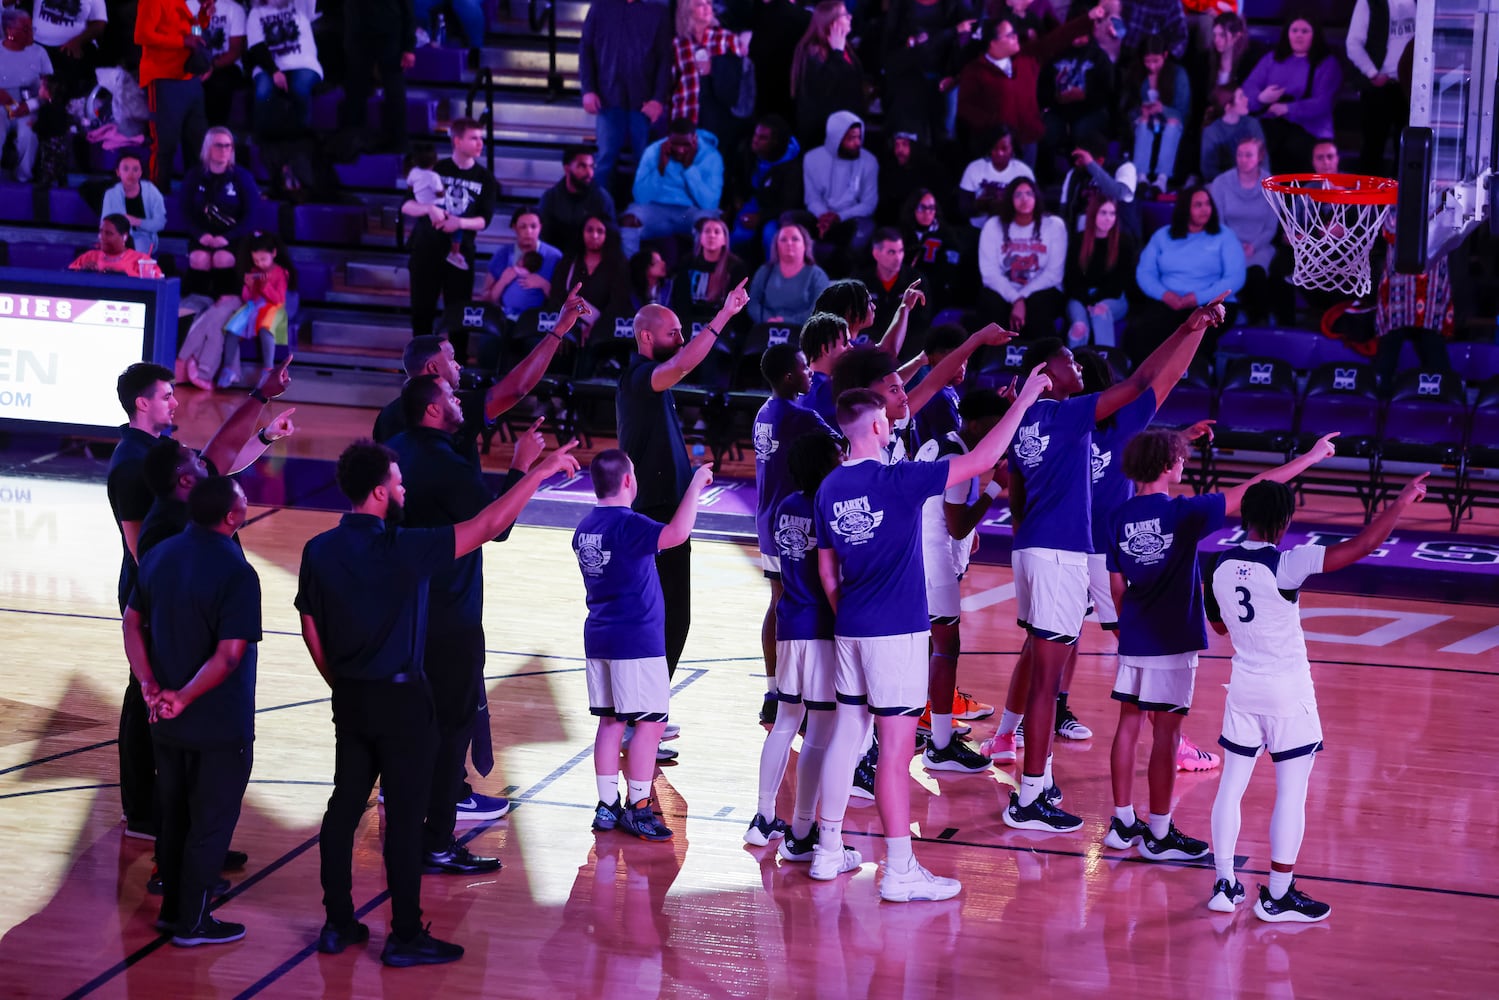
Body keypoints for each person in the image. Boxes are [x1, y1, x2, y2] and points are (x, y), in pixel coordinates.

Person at [296, 437, 581, 966]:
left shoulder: (319, 550)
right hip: (404, 704)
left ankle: (338, 924)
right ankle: (404, 936)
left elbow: (309, 624)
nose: (405, 488)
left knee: (342, 811)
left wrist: (338, 681)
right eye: (399, 482)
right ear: (380, 492)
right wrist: (536, 475)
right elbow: (489, 526)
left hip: (352, 700)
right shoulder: (403, 547)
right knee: (404, 822)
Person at [805, 369, 1048, 900]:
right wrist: (1026, 398)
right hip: (896, 633)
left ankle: (827, 850)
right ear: (870, 426)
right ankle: (898, 868)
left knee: (848, 734)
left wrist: (853, 613)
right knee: (893, 752)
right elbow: (983, 460)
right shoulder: (900, 479)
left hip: (851, 629)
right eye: (886, 421)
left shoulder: (829, 487)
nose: (893, 426)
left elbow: (827, 572)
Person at [991, 297, 1228, 834]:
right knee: (1050, 681)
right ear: (1044, 375)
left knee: (1044, 664)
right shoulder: (1070, 414)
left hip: (1032, 549)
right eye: (1069, 363)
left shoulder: (1024, 418)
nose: (1078, 368)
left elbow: (1015, 489)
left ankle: (1034, 772)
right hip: (1062, 554)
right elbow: (1148, 378)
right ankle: (1030, 796)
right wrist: (1187, 327)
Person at [1104, 430, 1338, 864]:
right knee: (1166, 736)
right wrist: (1310, 456)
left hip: (1134, 636)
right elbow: (1256, 488)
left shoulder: (1118, 516)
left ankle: (1121, 823)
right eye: (1180, 458)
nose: (1184, 465)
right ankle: (1158, 832)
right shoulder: (1185, 512)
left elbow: (1116, 586)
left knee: (1128, 725)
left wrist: (1131, 624)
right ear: (1166, 465)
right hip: (1171, 640)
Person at [1205, 473, 1429, 921]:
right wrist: (1402, 502)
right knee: (1291, 792)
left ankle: (1225, 886)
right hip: (1287, 691)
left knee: (1231, 787)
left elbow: (1220, 628)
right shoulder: (1287, 563)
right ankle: (1279, 895)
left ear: (1246, 517)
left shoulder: (1215, 566)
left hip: (1243, 687)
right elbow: (1362, 546)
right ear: (1284, 522)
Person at [108, 360, 291, 842]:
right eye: (167, 395)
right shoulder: (132, 464)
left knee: (165, 706)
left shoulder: (164, 453)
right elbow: (139, 546)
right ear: (142, 403)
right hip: (159, 601)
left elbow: (216, 462)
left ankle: (175, 831)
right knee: (147, 704)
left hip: (173, 597)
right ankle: (148, 817)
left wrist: (264, 425)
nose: (176, 401)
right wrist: (176, 597)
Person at [386, 371, 550, 872]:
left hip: (399, 610)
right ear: (433, 411)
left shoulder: (392, 448)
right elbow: (492, 527)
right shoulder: (445, 464)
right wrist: (523, 469)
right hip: (449, 613)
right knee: (452, 726)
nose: (460, 399)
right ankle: (437, 839)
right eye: (450, 397)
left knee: (411, 727)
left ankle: (405, 824)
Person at [123, 476, 260, 947]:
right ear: (230, 516)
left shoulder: (158, 554)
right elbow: (228, 656)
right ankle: (193, 922)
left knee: (175, 815)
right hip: (218, 720)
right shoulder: (238, 571)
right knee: (211, 822)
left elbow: (131, 622)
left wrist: (150, 685)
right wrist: (184, 696)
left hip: (164, 718)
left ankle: (171, 913)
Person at [616, 285, 751, 688]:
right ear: (646, 337)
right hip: (652, 514)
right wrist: (723, 315)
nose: (680, 340)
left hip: (667, 510)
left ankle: (647, 708)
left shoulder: (652, 381)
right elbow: (683, 364)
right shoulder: (640, 377)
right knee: (665, 617)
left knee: (672, 617)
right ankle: (643, 711)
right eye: (673, 333)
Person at [579, 450, 715, 841]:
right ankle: (638, 807)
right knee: (651, 724)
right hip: (636, 640)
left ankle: (607, 805)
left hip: (599, 636)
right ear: (627, 482)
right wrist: (694, 486)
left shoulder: (584, 528)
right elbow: (676, 534)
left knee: (610, 721)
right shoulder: (629, 525)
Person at [913, 388, 1015, 774]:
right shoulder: (957, 457)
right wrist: (995, 487)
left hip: (912, 556)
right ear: (973, 423)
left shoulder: (933, 445)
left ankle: (923, 728)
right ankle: (939, 745)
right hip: (935, 561)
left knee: (921, 649)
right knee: (945, 649)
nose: (995, 435)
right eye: (992, 426)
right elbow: (956, 526)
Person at [749, 431, 842, 849]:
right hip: (820, 629)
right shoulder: (827, 507)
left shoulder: (786, 506)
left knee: (786, 722)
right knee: (820, 727)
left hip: (788, 626)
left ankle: (763, 816)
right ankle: (803, 829)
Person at [752, 344, 835, 725]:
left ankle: (774, 690)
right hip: (795, 520)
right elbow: (843, 444)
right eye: (804, 368)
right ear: (789, 375)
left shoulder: (763, 412)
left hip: (767, 521)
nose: (811, 373)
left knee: (777, 602)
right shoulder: (802, 416)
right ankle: (798, 692)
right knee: (803, 603)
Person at [400, 117, 497, 346]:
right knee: (422, 313)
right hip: (426, 250)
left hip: (460, 254)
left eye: (480, 138)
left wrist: (460, 224)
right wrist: (429, 208)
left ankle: (457, 368)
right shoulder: (436, 168)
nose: (480, 144)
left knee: (459, 315)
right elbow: (405, 205)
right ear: (457, 141)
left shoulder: (485, 178)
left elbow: (484, 220)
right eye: (473, 138)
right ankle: (420, 368)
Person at [955, 8, 1101, 159]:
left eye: (1015, 33)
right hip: (996, 146)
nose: (1016, 37)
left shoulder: (1027, 57)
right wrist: (994, 126)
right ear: (993, 43)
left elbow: (1058, 38)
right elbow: (966, 108)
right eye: (1010, 35)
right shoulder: (974, 71)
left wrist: (1088, 18)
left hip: (1029, 140)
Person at [1131, 186, 1244, 364]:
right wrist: (1165, 294)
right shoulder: (1163, 236)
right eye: (1198, 205)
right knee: (1139, 333)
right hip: (1169, 301)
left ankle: (1195, 384)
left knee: (1199, 336)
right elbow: (1145, 273)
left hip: (1212, 304)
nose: (1205, 209)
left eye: (1207, 204)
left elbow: (1235, 277)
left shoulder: (1224, 236)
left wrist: (1199, 297)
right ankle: (1144, 385)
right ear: (1185, 208)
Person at [579, 0, 673, 188]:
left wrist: (658, 99)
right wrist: (588, 90)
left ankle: (643, 214)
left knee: (646, 163)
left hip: (644, 102)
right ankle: (599, 212)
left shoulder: (657, 11)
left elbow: (665, 58)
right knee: (605, 161)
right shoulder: (601, 7)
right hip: (608, 98)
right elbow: (586, 49)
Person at [1242, 18, 1341, 173]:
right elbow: (1249, 88)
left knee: (1292, 149)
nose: (1298, 35)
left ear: (1314, 34)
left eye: (1304, 31)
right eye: (1294, 31)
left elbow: (1323, 102)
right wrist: (1261, 98)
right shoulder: (1272, 59)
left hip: (1310, 129)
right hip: (1273, 123)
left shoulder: (1327, 63)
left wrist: (1288, 108)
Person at [619, 117, 725, 258]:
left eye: (686, 145)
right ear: (668, 139)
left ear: (695, 139)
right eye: (675, 144)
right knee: (629, 220)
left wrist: (689, 169)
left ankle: (700, 273)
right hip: (657, 210)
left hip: (690, 212)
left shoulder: (711, 156)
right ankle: (631, 271)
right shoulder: (653, 151)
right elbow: (640, 197)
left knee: (707, 225)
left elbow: (709, 204)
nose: (680, 150)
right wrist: (660, 168)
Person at [978, 177, 1069, 339]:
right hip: (1005, 290)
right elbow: (989, 273)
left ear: (1037, 197)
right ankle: (990, 359)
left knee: (1038, 305)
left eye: (1029, 193)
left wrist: (1022, 298)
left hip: (1042, 290)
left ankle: (1041, 361)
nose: (1024, 199)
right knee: (990, 302)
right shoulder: (993, 225)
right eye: (1018, 194)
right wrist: (1015, 298)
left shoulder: (1054, 225)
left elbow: (1053, 275)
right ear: (1009, 199)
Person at [1373, 220, 1456, 393]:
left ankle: (1445, 400)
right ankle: (1379, 402)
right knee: (1390, 345)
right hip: (1399, 279)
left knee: (1432, 343)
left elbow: (1451, 233)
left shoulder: (1446, 197)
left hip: (1430, 278)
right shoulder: (1396, 197)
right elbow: (1388, 230)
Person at [135, 0, 209, 188]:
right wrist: (182, 41)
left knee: (197, 142)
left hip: (189, 78)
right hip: (163, 78)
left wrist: (204, 14)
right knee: (164, 144)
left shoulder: (184, 3)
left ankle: (195, 196)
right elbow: (142, 35)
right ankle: (157, 198)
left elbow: (195, 34)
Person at [182, 127, 262, 302]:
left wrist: (228, 237)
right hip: (203, 235)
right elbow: (185, 211)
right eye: (219, 146)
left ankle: (226, 302)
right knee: (199, 259)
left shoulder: (242, 176)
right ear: (208, 148)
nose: (224, 150)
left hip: (234, 237)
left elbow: (252, 216)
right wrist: (200, 235)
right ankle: (197, 302)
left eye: (228, 146)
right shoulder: (194, 175)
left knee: (222, 258)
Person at [1209, 136, 1279, 323]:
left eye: (1249, 155)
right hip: (1227, 243)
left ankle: (1259, 320)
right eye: (1240, 155)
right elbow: (1218, 221)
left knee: (1255, 273)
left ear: (1259, 157)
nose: (1243, 159)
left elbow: (1271, 226)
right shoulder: (1221, 183)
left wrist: (1253, 247)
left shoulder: (1272, 185)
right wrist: (1234, 246)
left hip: (1260, 245)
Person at [881, 0, 970, 146]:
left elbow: (966, 31)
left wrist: (954, 74)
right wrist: (951, 31)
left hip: (945, 78)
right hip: (909, 78)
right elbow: (895, 43)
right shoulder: (901, 5)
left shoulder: (956, 4)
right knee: (910, 136)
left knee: (943, 136)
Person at [215, 230, 295, 389]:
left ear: (274, 253)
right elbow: (248, 297)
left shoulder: (281, 273)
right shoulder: (255, 271)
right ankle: (228, 367)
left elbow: (279, 298)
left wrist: (265, 287)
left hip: (273, 307)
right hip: (254, 306)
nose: (260, 263)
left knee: (266, 330)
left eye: (263, 259)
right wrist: (249, 286)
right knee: (232, 329)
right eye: (256, 260)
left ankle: (268, 370)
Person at [1346, 0, 1416, 174]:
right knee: (1372, 149)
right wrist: (1372, 73)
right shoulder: (1369, 3)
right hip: (1380, 86)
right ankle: (1368, 200)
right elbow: (1353, 43)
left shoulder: (1422, 3)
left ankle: (1402, 199)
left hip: (1412, 86)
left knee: (1408, 151)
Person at [340, 0, 413, 154]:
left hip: (386, 30)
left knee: (392, 89)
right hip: (359, 31)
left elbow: (407, 8)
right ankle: (354, 140)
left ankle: (398, 141)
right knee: (356, 89)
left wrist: (408, 46)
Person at [789, 1, 865, 150]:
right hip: (824, 136)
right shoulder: (813, 52)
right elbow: (823, 90)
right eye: (844, 15)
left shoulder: (844, 47)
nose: (850, 17)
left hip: (847, 128)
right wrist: (836, 55)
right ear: (831, 21)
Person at [725, 114, 802, 258]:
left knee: (770, 235)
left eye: (762, 138)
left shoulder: (792, 167)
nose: (755, 140)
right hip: (752, 204)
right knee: (737, 236)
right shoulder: (748, 151)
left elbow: (789, 205)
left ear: (776, 142)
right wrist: (736, 198)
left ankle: (772, 276)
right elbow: (735, 178)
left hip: (775, 213)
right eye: (756, 135)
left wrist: (761, 217)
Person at [244, 0, 323, 140]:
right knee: (263, 93)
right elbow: (257, 47)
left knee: (299, 88)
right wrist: (274, 71)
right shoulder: (255, 13)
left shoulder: (299, 6)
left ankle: (300, 136)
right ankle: (262, 139)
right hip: (269, 65)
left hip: (303, 63)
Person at [1064, 195, 1134, 348]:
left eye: (1112, 213)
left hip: (1113, 298)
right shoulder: (1078, 240)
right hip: (1079, 297)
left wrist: (1096, 303)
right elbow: (1071, 279)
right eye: (1103, 213)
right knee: (1079, 328)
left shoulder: (1124, 242)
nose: (1108, 218)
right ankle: (1072, 368)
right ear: (1093, 214)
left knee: (1100, 313)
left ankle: (1106, 366)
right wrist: (1087, 302)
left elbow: (1120, 282)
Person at [669, 0, 745, 143]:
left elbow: (738, 83)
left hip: (717, 120)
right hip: (685, 115)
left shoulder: (727, 39)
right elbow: (674, 83)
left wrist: (714, 68)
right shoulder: (679, 44)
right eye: (700, 4)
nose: (707, 8)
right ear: (687, 11)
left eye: (709, 3)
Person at [1127, 35, 1190, 192]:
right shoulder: (1136, 73)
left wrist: (1163, 109)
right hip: (1145, 118)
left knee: (1172, 124)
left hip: (1170, 119)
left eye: (1156, 61)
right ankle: (1141, 176)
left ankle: (1162, 178)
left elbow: (1183, 110)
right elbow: (1128, 105)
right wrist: (1141, 111)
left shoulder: (1178, 74)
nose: (1152, 66)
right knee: (1143, 123)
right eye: (1148, 61)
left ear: (1165, 56)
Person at [550, 215, 632, 336]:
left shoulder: (618, 265)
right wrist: (562, 329)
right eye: (589, 230)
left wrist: (598, 327)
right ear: (582, 232)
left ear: (607, 235)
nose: (594, 236)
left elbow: (619, 303)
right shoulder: (569, 262)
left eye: (600, 231)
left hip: (605, 331)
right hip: (568, 328)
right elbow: (556, 296)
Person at [483, 207, 564, 320]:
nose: (528, 232)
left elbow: (563, 301)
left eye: (533, 226)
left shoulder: (554, 256)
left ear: (540, 227)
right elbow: (487, 299)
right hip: (506, 318)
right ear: (514, 227)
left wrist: (544, 285)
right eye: (523, 227)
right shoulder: (502, 254)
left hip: (541, 320)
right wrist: (502, 281)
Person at [671, 216, 751, 330]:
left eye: (717, 232)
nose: (711, 235)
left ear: (724, 239)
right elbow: (680, 300)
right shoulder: (687, 262)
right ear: (700, 238)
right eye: (707, 231)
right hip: (689, 324)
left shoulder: (736, 267)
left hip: (722, 327)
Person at [538, 147, 618, 256]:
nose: (589, 173)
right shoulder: (550, 198)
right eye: (582, 166)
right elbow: (543, 239)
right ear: (567, 169)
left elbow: (611, 239)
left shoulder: (602, 198)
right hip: (558, 259)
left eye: (591, 167)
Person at [0, 10, 51, 183]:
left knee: (28, 133)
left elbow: (50, 89)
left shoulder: (40, 53)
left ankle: (23, 179)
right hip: (1, 104)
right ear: (9, 31)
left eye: (31, 29)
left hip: (30, 103)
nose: (31, 34)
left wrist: (29, 106)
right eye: (25, 29)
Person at [747, 223, 829, 326]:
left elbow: (820, 309)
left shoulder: (817, 275)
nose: (789, 243)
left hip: (804, 332)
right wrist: (769, 320)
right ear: (776, 245)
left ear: (805, 245)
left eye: (795, 239)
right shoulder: (764, 271)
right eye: (783, 240)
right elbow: (752, 303)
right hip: (766, 329)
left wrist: (786, 321)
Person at [855, 228, 926, 343]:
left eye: (901, 251)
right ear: (876, 254)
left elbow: (921, 322)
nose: (898, 258)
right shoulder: (860, 281)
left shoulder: (915, 280)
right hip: (867, 344)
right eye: (891, 252)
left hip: (905, 344)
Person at [186, 0, 249, 127]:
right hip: (196, 60)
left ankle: (215, 132)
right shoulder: (186, 6)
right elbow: (193, 39)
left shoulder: (234, 9)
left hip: (226, 64)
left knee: (219, 84)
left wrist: (212, 66)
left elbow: (235, 51)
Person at [900, 188, 963, 313]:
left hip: (934, 288)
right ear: (913, 209)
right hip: (905, 285)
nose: (927, 212)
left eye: (931, 208)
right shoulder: (903, 232)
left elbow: (951, 265)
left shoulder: (945, 234)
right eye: (922, 208)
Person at [101, 154, 168, 258]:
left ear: (140, 173)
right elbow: (105, 223)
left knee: (137, 248)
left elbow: (160, 223)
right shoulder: (111, 194)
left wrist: (138, 222)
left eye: (135, 169)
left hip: (144, 236)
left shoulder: (151, 191)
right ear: (118, 172)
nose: (130, 174)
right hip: (118, 237)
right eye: (126, 169)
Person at [1199, 85, 1264, 181]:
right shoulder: (1212, 131)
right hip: (1224, 183)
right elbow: (1209, 170)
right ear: (1228, 107)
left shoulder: (1252, 124)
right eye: (1241, 97)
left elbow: (1263, 158)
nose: (1246, 99)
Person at [798, 310, 853, 426]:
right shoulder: (829, 390)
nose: (851, 348)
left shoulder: (796, 385)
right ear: (825, 349)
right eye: (845, 344)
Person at [69, 215, 164, 277]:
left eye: (108, 233)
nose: (101, 237)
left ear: (124, 237)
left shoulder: (142, 261)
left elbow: (156, 285)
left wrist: (123, 276)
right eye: (101, 232)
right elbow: (67, 278)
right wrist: (82, 272)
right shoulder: (89, 256)